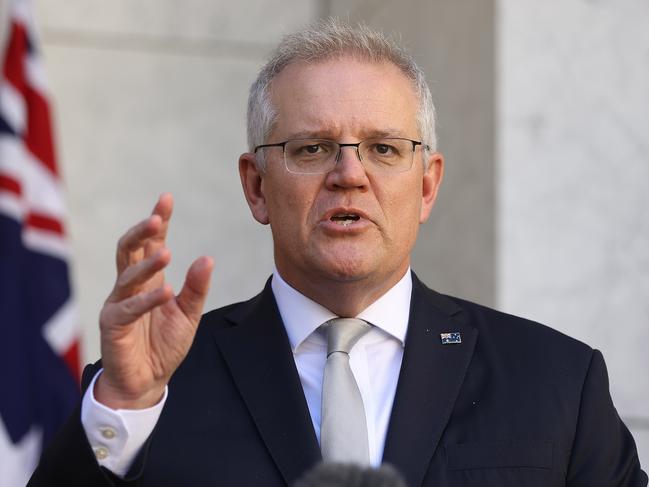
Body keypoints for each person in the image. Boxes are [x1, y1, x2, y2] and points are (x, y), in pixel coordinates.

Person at [29, 18, 646, 487]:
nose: (349, 174)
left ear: (426, 185)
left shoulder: (556, 384)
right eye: (312, 148)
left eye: (382, 148)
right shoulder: (151, 390)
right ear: (256, 186)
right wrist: (126, 408)